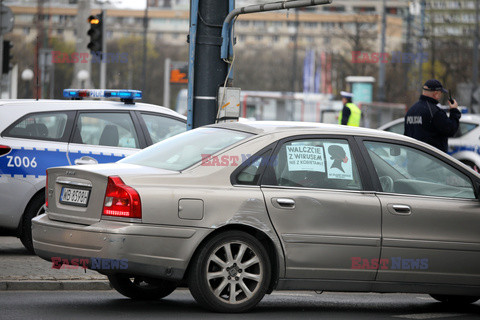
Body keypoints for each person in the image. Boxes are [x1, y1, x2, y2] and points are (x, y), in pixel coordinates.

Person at [404, 79, 460, 153]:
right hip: (431, 160)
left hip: (413, 157)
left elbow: (406, 134)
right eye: (440, 93)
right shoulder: (434, 111)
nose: (440, 96)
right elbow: (450, 130)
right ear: (436, 94)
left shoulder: (411, 111)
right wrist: (454, 111)